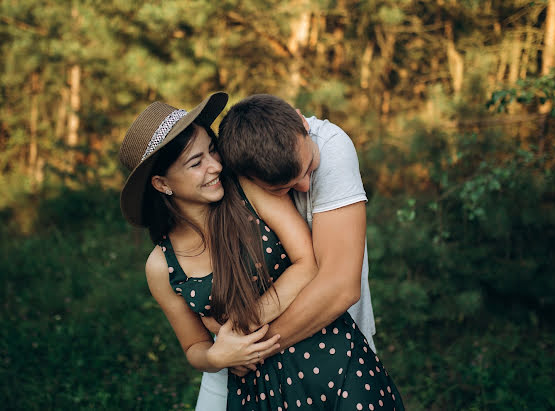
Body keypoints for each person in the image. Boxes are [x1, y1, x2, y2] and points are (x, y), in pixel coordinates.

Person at [119, 92, 405, 410]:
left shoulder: (248, 191)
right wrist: (218, 356)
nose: (215, 166)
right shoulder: (161, 266)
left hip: (325, 354)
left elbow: (309, 264)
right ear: (162, 184)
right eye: (196, 163)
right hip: (254, 384)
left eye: (213, 151)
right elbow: (195, 346)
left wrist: (245, 326)